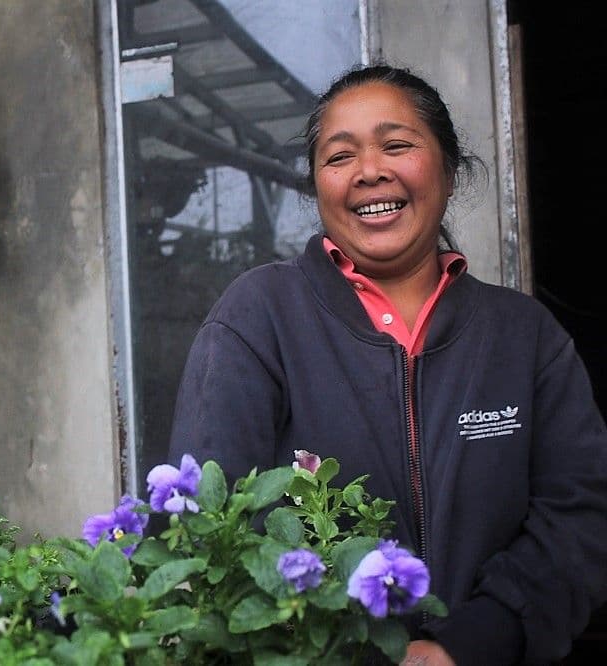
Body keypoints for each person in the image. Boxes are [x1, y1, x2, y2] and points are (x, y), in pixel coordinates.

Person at [167, 63, 607, 665]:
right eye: (339, 156)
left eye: (397, 145)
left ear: (449, 171)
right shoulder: (257, 318)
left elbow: (581, 517)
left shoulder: (525, 336)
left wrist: (473, 642)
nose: (370, 172)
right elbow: (214, 529)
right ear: (317, 185)